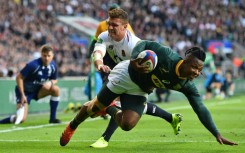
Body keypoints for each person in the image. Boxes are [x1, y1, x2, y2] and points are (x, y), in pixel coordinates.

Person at [60, 40, 238, 147]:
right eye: (194, 67)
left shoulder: (186, 86)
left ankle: (111, 108)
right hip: (127, 74)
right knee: (93, 108)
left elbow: (200, 107)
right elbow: (143, 44)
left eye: (199, 70)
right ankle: (72, 126)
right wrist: (134, 59)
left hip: (140, 90)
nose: (196, 72)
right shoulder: (166, 56)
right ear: (185, 61)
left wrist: (216, 133)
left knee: (127, 125)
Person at [89, 8, 182, 148]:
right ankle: (171, 118)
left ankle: (104, 139)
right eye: (109, 23)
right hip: (119, 71)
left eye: (114, 24)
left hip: (137, 78)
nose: (109, 27)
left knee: (119, 105)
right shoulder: (106, 35)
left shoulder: (134, 45)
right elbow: (98, 51)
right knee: (129, 106)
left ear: (124, 26)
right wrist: (100, 62)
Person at [0, 44, 61, 124]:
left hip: (38, 91)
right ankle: (7, 120)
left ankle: (53, 119)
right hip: (25, 92)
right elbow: (19, 77)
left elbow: (55, 79)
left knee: (55, 89)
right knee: (21, 119)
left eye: (48, 56)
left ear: (52, 56)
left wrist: (50, 82)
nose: (46, 58)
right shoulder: (33, 65)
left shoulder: (53, 66)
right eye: (44, 55)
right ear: (41, 55)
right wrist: (22, 95)